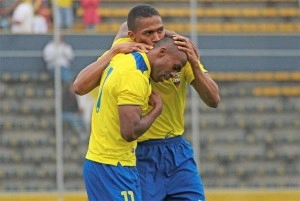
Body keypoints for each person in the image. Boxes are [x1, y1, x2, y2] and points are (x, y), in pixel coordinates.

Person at [73, 4, 220, 201]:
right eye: (148, 33)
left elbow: (213, 99)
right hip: (140, 152)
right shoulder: (127, 53)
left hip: (176, 150)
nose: (156, 38)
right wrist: (113, 51)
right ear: (133, 36)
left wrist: (194, 64)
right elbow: (80, 86)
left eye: (160, 30)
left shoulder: (176, 52)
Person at [82, 36, 188, 201]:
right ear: (161, 52)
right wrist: (156, 111)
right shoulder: (135, 75)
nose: (174, 74)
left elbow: (78, 86)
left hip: (99, 160)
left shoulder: (121, 57)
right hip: (114, 164)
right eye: (175, 67)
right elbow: (129, 132)